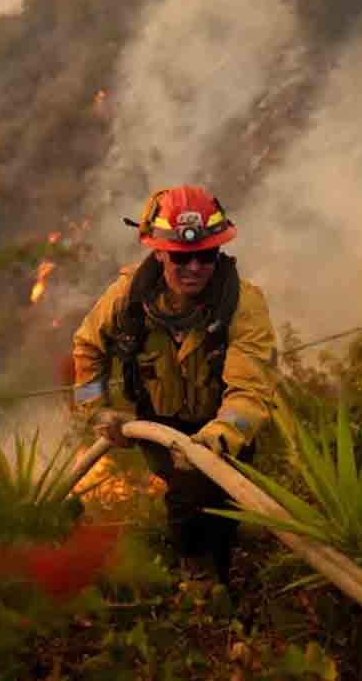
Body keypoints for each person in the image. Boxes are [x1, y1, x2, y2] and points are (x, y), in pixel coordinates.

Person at [71, 185, 277, 583]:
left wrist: (216, 438)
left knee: (219, 509)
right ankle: (198, 585)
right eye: (183, 258)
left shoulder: (242, 305)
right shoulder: (127, 299)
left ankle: (216, 574)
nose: (195, 268)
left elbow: (251, 391)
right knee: (189, 502)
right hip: (160, 428)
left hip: (222, 431)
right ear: (160, 252)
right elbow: (86, 347)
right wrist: (96, 411)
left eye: (206, 256)